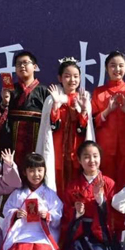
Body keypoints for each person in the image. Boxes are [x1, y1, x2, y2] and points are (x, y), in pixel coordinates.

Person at [91, 51, 125, 241]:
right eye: (112, 65)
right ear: (106, 68)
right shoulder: (99, 92)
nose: (117, 69)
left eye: (120, 65)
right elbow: (92, 122)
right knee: (104, 190)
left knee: (122, 191)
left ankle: (118, 235)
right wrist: (108, 110)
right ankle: (103, 233)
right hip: (105, 150)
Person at [36, 58, 94, 193]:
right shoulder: (51, 99)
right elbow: (51, 127)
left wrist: (83, 110)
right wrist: (56, 106)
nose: (72, 80)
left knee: (77, 182)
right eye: (67, 76)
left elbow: (83, 130)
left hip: (76, 149)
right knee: (57, 180)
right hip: (57, 149)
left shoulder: (83, 98)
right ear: (60, 78)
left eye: (76, 76)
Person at [60, 141, 120, 250]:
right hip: (79, 232)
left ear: (100, 157)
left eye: (95, 156)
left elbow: (114, 214)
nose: (92, 160)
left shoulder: (109, 183)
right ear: (79, 160)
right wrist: (76, 213)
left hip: (99, 233)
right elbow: (65, 213)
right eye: (86, 157)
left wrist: (100, 200)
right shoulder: (73, 186)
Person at [2, 153, 63, 250]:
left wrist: (48, 215)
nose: (36, 174)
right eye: (31, 171)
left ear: (45, 171)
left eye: (40, 170)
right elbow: (7, 210)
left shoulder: (50, 194)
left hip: (42, 233)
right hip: (21, 232)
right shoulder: (18, 193)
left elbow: (58, 211)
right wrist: (16, 213)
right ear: (25, 172)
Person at [0, 50, 50, 173]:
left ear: (35, 67)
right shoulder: (9, 90)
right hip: (13, 140)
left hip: (37, 138)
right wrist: (5, 103)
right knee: (13, 173)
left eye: (25, 63)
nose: (22, 66)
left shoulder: (45, 91)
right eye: (18, 64)